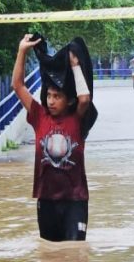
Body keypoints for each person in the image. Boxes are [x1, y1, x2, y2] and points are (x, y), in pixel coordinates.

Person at [11, 33, 96, 242]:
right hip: (46, 200)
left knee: (75, 254)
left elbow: (84, 98)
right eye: (49, 95)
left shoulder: (77, 120)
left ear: (68, 101)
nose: (51, 101)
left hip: (75, 200)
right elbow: (18, 86)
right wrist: (22, 50)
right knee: (51, 257)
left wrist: (76, 66)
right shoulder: (39, 117)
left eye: (57, 96)